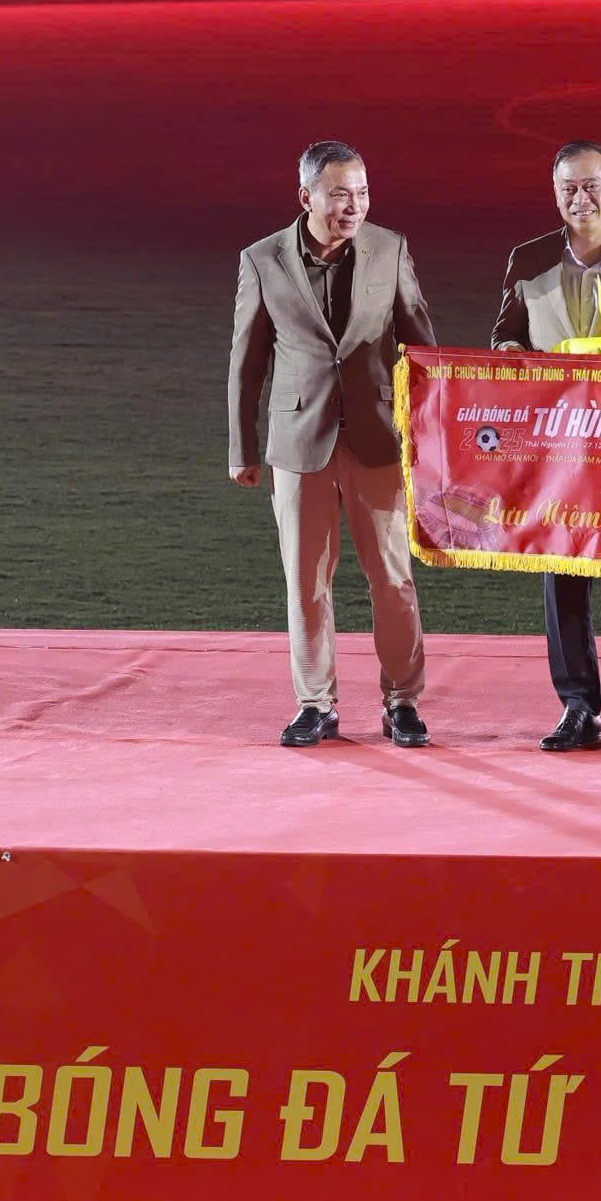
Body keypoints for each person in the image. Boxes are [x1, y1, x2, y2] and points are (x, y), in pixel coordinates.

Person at [228, 139, 437, 749]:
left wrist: (432, 439)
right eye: (341, 194)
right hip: (298, 444)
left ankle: (402, 702)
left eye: (363, 193)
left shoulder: (390, 248)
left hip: (379, 440)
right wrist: (242, 448)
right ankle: (315, 704)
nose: (355, 206)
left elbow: (421, 346)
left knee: (393, 578)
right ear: (306, 196)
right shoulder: (261, 260)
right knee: (305, 582)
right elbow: (247, 361)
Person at [491, 140, 601, 755]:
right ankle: (577, 705)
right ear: (555, 193)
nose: (580, 198)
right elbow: (504, 336)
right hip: (556, 444)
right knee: (561, 570)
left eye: (592, 186)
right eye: (569, 188)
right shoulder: (528, 258)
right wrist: (514, 357)